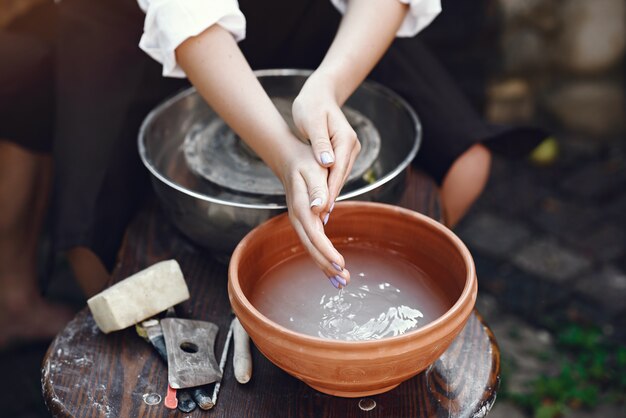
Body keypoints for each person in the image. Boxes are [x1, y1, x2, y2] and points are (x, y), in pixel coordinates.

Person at [0, 0, 543, 346]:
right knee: (97, 252)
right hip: (140, 20)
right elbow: (188, 18)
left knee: (465, 165)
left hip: (304, 12)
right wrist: (284, 153)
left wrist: (327, 89)